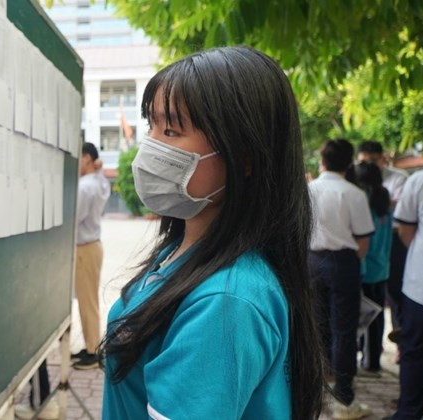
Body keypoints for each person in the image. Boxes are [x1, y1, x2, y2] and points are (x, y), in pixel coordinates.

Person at [100, 46, 324, 419]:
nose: (151, 146)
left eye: (171, 129)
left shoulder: (225, 302)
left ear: (245, 156)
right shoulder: (183, 250)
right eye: (151, 126)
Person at [308, 139, 374, 418]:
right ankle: (344, 400)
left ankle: (311, 392)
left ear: (322, 161)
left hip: (310, 262)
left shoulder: (306, 189)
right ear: (349, 163)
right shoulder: (354, 193)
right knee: (343, 330)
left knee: (313, 328)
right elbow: (363, 241)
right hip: (343, 263)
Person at [387, 167, 423, 419]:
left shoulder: (421, 180)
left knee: (415, 350)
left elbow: (405, 231)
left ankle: (408, 413)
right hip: (420, 285)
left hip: (422, 284)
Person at [357, 141, 409, 346]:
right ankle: (370, 354)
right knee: (371, 304)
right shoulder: (374, 196)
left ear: (383, 158)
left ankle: (399, 343)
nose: (368, 164)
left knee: (395, 294)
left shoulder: (399, 178)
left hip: (391, 244)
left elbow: (403, 208)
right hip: (377, 252)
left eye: (372, 161)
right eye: (364, 161)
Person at [71, 142, 110, 370]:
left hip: (84, 248)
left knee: (87, 302)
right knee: (89, 301)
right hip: (92, 246)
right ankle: (90, 347)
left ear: (86, 158)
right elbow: (101, 176)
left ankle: (93, 352)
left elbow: (73, 218)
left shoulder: (85, 186)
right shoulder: (99, 181)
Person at [353, 161, 393, 376]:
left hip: (365, 268)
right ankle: (373, 361)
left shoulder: (363, 202)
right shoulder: (385, 201)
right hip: (382, 268)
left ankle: (362, 357)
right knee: (377, 317)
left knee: (361, 316)